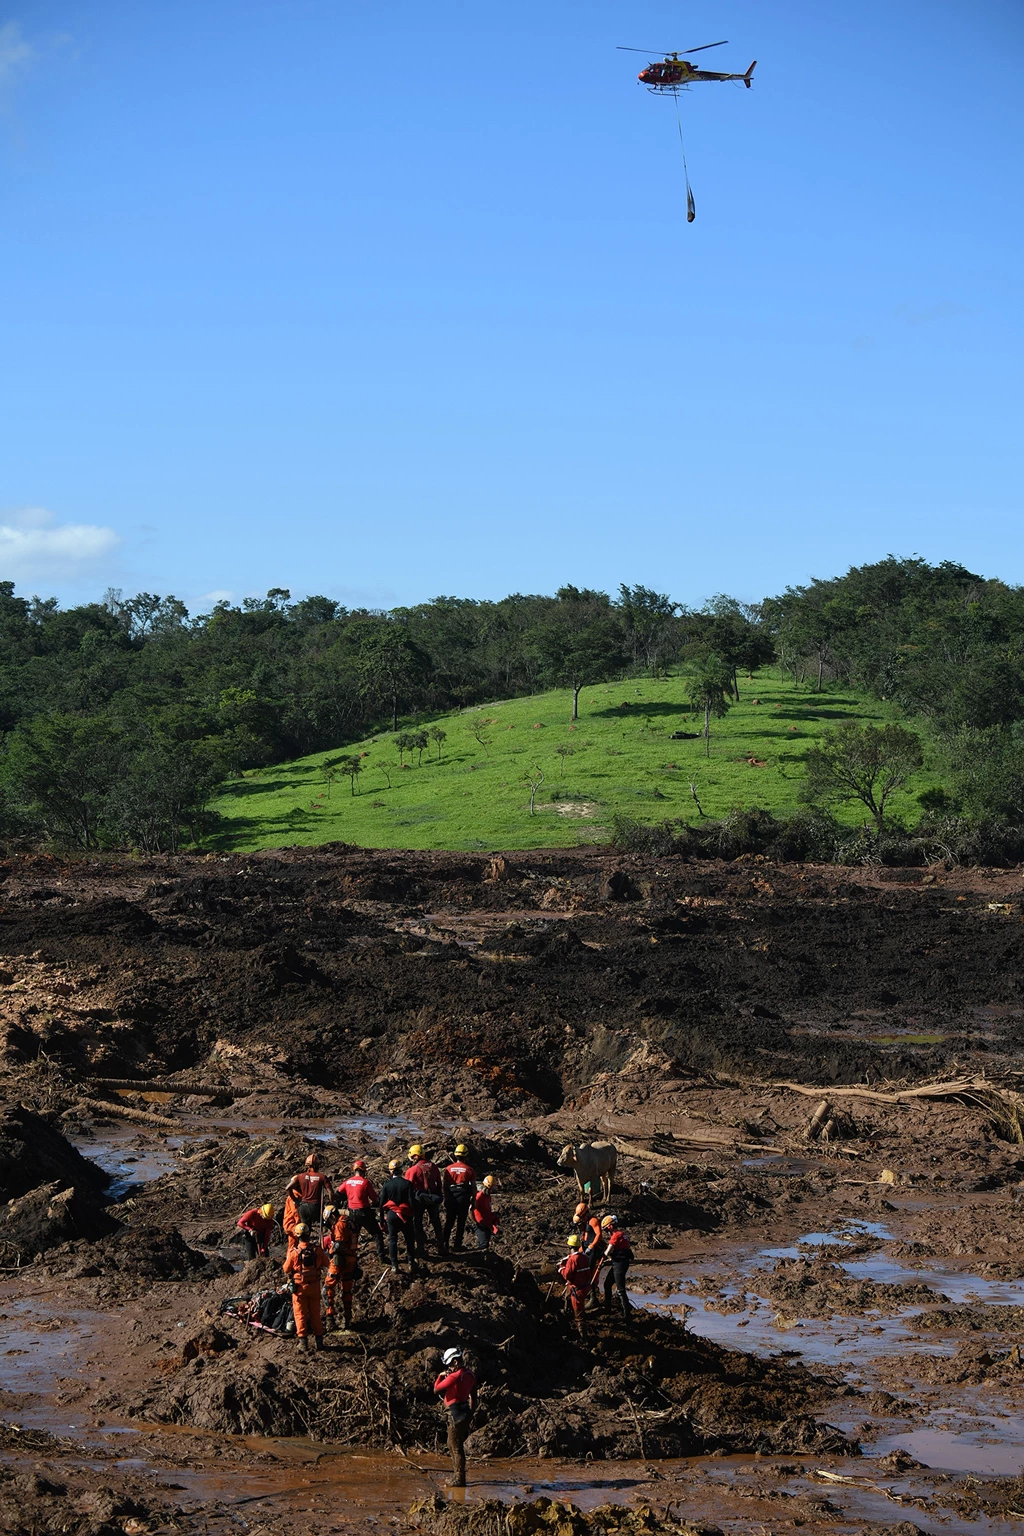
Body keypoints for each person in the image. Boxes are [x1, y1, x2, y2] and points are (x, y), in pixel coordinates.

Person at [433, 1345, 478, 1488]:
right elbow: (474, 1397)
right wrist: (471, 1413)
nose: (449, 1368)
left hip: (454, 1414)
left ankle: (459, 1479)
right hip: (463, 1412)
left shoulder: (454, 1376)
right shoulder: (470, 1374)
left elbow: (436, 1389)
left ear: (455, 1362)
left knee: (456, 1446)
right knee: (451, 1443)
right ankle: (457, 1475)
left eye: (449, 1365)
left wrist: (440, 1376)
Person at [282, 1222, 328, 1351]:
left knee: (300, 1314)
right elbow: (327, 1263)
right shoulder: (317, 1249)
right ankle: (320, 1342)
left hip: (299, 1288)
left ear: (297, 1236)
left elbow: (286, 1269)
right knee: (315, 1314)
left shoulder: (294, 1253)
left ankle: (303, 1343)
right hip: (314, 1287)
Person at [341, 1159, 387, 1262]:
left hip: (352, 1213)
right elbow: (375, 1199)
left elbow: (339, 1192)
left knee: (353, 1235)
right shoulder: (366, 1183)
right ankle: (381, 1257)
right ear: (363, 1171)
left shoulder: (347, 1181)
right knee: (377, 1234)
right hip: (364, 1212)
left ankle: (350, 1256)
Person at [324, 1205, 361, 1331]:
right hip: (351, 1260)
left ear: (333, 1215)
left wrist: (330, 1252)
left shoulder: (340, 1225)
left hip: (339, 1260)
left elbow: (339, 1244)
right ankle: (348, 1319)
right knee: (346, 1290)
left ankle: (330, 1318)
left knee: (328, 1288)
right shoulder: (350, 1222)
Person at [405, 1144, 445, 1259]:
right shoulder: (433, 1166)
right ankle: (441, 1247)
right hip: (433, 1197)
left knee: (417, 1222)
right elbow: (439, 1183)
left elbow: (408, 1186)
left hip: (419, 1200)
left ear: (415, 1156)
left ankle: (420, 1247)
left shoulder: (412, 1170)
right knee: (436, 1222)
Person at [379, 1158, 417, 1271]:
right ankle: (411, 1262)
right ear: (401, 1170)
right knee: (409, 1239)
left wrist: (381, 1219)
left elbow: (381, 1203)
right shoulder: (407, 1184)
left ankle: (394, 1265)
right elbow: (411, 1201)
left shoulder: (386, 1185)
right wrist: (413, 1215)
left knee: (392, 1240)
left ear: (391, 1171)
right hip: (405, 1215)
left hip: (391, 1215)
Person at [559, 1234, 597, 1340]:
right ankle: (567, 1315)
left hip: (577, 1290)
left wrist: (561, 1268)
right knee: (567, 1297)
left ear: (569, 1247)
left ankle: (583, 1337)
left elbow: (567, 1275)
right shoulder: (584, 1257)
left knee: (579, 1314)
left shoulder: (573, 1260)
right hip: (585, 1287)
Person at [442, 1144, 477, 1252]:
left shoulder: (448, 1169)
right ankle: (457, 1245)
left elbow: (444, 1185)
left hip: (451, 1197)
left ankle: (444, 1244)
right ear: (466, 1155)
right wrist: (474, 1200)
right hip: (463, 1198)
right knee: (461, 1222)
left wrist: (446, 1197)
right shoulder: (469, 1170)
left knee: (449, 1221)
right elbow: (474, 1187)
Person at [285, 1153, 334, 1228]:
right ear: (317, 1165)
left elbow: (288, 1188)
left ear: (307, 1165)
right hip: (316, 1207)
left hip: (303, 1207)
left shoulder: (300, 1176)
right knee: (329, 1224)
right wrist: (330, 1205)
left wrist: (295, 1200)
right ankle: (331, 1238)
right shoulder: (322, 1177)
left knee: (305, 1230)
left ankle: (305, 1238)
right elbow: (331, 1192)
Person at [600, 1215, 634, 1319]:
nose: (606, 1231)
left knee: (620, 1290)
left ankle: (627, 1314)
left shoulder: (616, 1235)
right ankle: (607, 1306)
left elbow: (608, 1251)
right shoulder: (621, 1234)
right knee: (607, 1284)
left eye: (606, 1229)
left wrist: (602, 1258)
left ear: (610, 1226)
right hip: (618, 1263)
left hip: (620, 1264)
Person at [472, 1175, 498, 1251]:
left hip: (486, 1223)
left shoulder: (488, 1196)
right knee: (483, 1244)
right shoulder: (479, 1197)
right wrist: (475, 1223)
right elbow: (470, 1210)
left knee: (486, 1243)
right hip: (479, 1224)